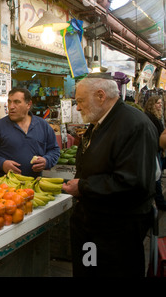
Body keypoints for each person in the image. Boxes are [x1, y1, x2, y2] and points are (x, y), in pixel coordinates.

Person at [62, 73, 157, 277]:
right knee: (89, 270)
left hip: (115, 232)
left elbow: (132, 182)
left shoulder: (134, 125)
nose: (77, 108)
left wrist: (83, 186)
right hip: (92, 225)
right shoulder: (101, 122)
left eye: (80, 101)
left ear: (100, 95)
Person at [0, 87, 60, 177]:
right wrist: (2, 163)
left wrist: (47, 161)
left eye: (17, 102)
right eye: (9, 102)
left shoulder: (43, 125)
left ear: (28, 104)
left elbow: (54, 150)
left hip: (33, 185)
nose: (11, 106)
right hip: (6, 186)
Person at [144, 95, 166, 211]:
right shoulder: (150, 117)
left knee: (157, 177)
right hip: (154, 150)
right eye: (158, 103)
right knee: (156, 179)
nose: (160, 105)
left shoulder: (157, 117)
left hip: (158, 150)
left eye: (161, 103)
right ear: (152, 104)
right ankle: (160, 202)